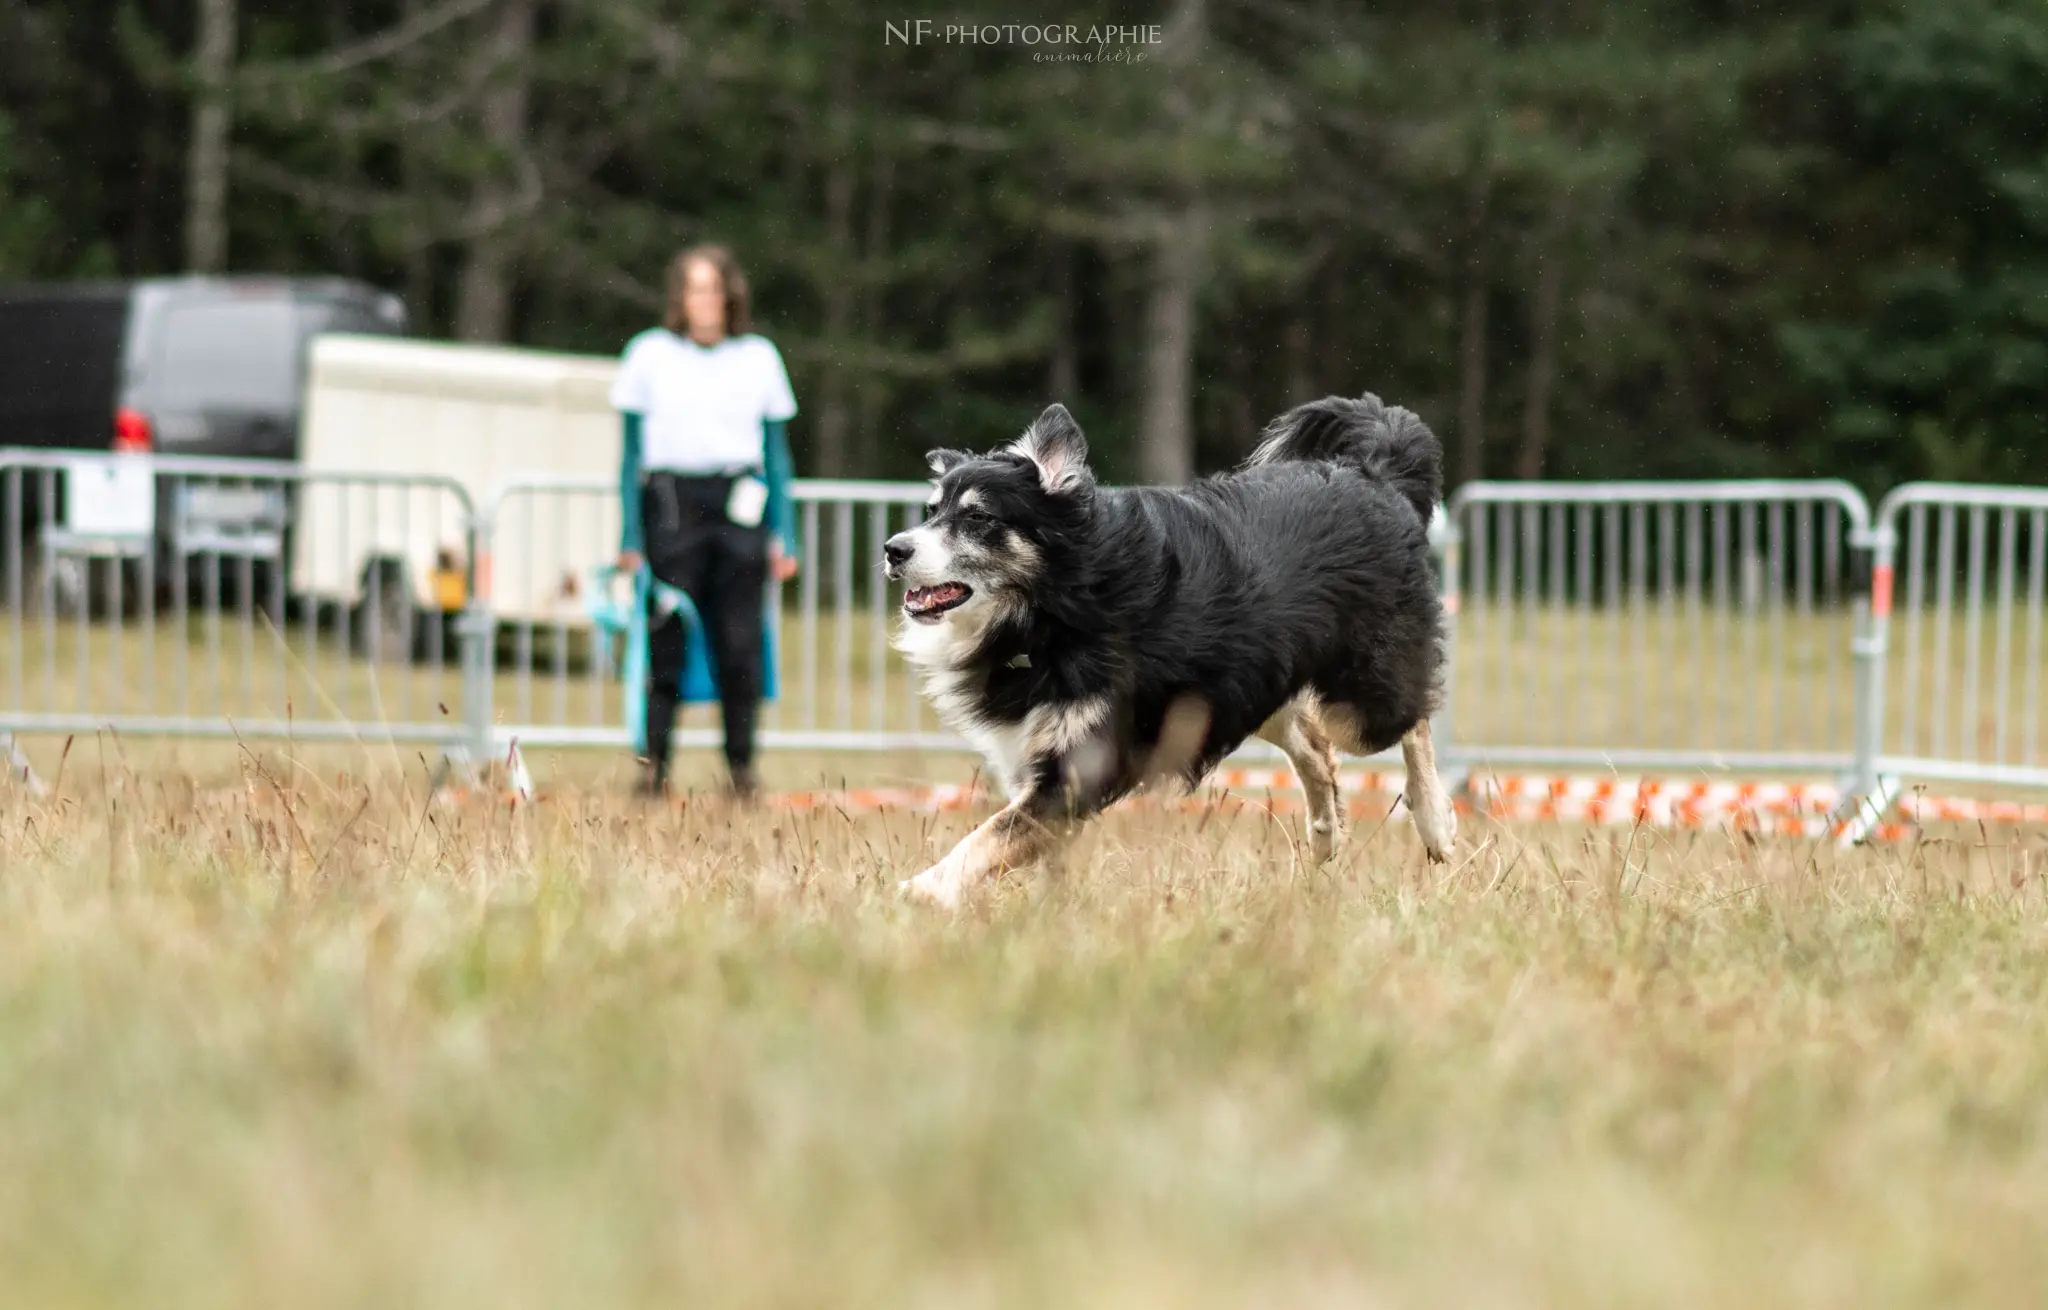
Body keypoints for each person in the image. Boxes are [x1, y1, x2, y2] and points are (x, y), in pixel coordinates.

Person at [612, 244, 799, 799]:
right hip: (671, 504)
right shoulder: (647, 354)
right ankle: (653, 769)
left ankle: (740, 772)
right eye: (695, 288)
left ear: (729, 295)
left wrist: (783, 531)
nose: (705, 300)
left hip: (739, 503)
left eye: (713, 288)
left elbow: (778, 454)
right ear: (681, 297)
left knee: (739, 646)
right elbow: (627, 455)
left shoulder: (759, 357)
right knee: (664, 642)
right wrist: (629, 533)